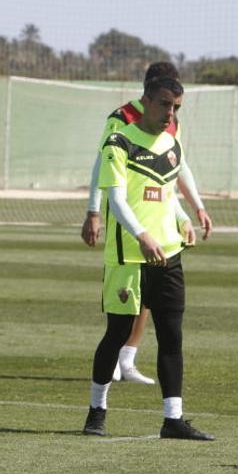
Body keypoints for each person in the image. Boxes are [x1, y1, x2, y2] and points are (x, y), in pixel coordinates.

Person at [82, 76, 213, 441]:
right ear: (145, 101)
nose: (169, 113)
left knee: (172, 336)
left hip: (168, 254)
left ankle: (173, 418)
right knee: (117, 334)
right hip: (129, 256)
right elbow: (118, 199)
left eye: (175, 107)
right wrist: (141, 235)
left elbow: (167, 192)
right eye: (164, 104)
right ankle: (97, 410)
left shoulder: (172, 143)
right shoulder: (118, 142)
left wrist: (185, 218)